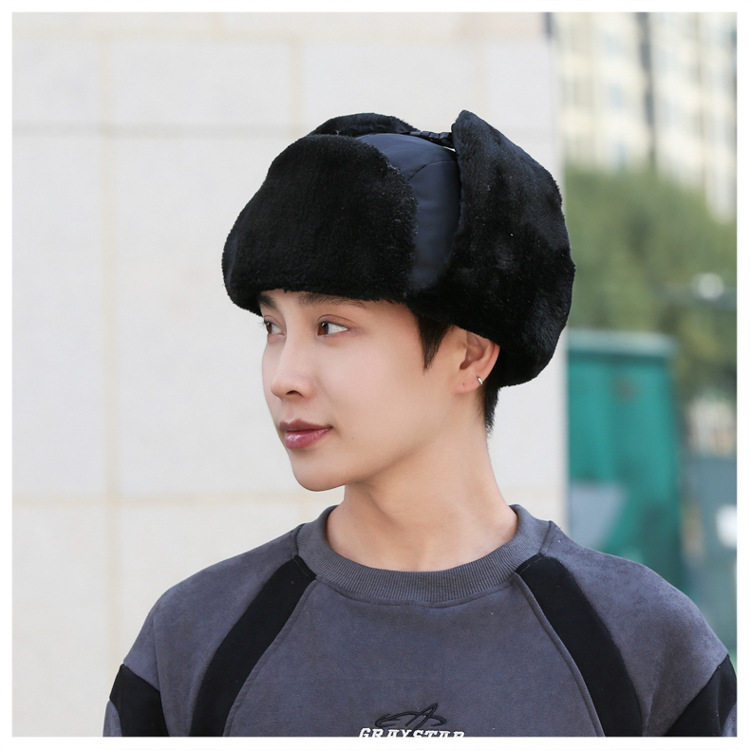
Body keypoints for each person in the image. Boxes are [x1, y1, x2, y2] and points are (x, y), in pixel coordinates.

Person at [103, 110, 736, 737]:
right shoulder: (193, 640)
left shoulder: (644, 645)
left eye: (331, 326)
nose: (283, 376)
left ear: (470, 355)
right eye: (274, 327)